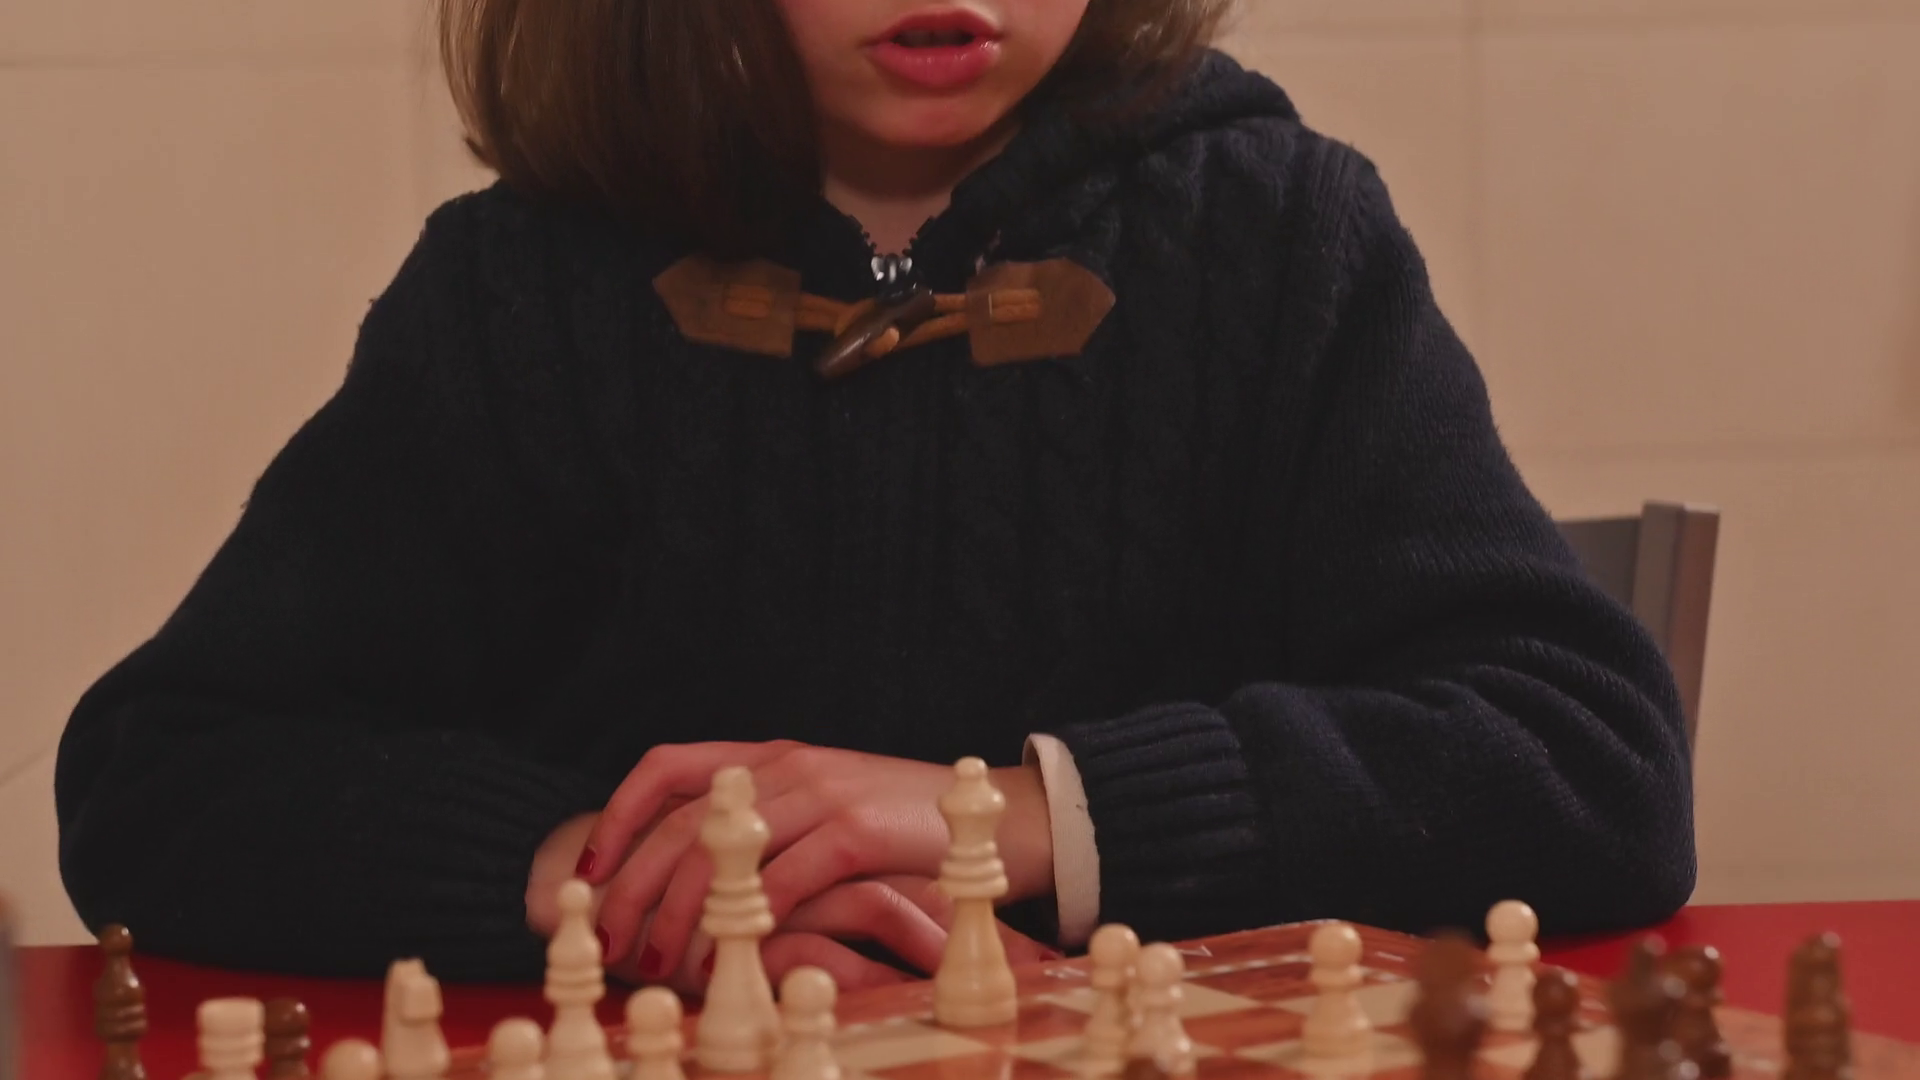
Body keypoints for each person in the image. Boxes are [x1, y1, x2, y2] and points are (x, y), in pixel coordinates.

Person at [54, 0, 1696, 990]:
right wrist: (599, 880)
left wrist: (1024, 816)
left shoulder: (1280, 238)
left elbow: (1595, 765)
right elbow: (164, 779)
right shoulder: (517, 291)